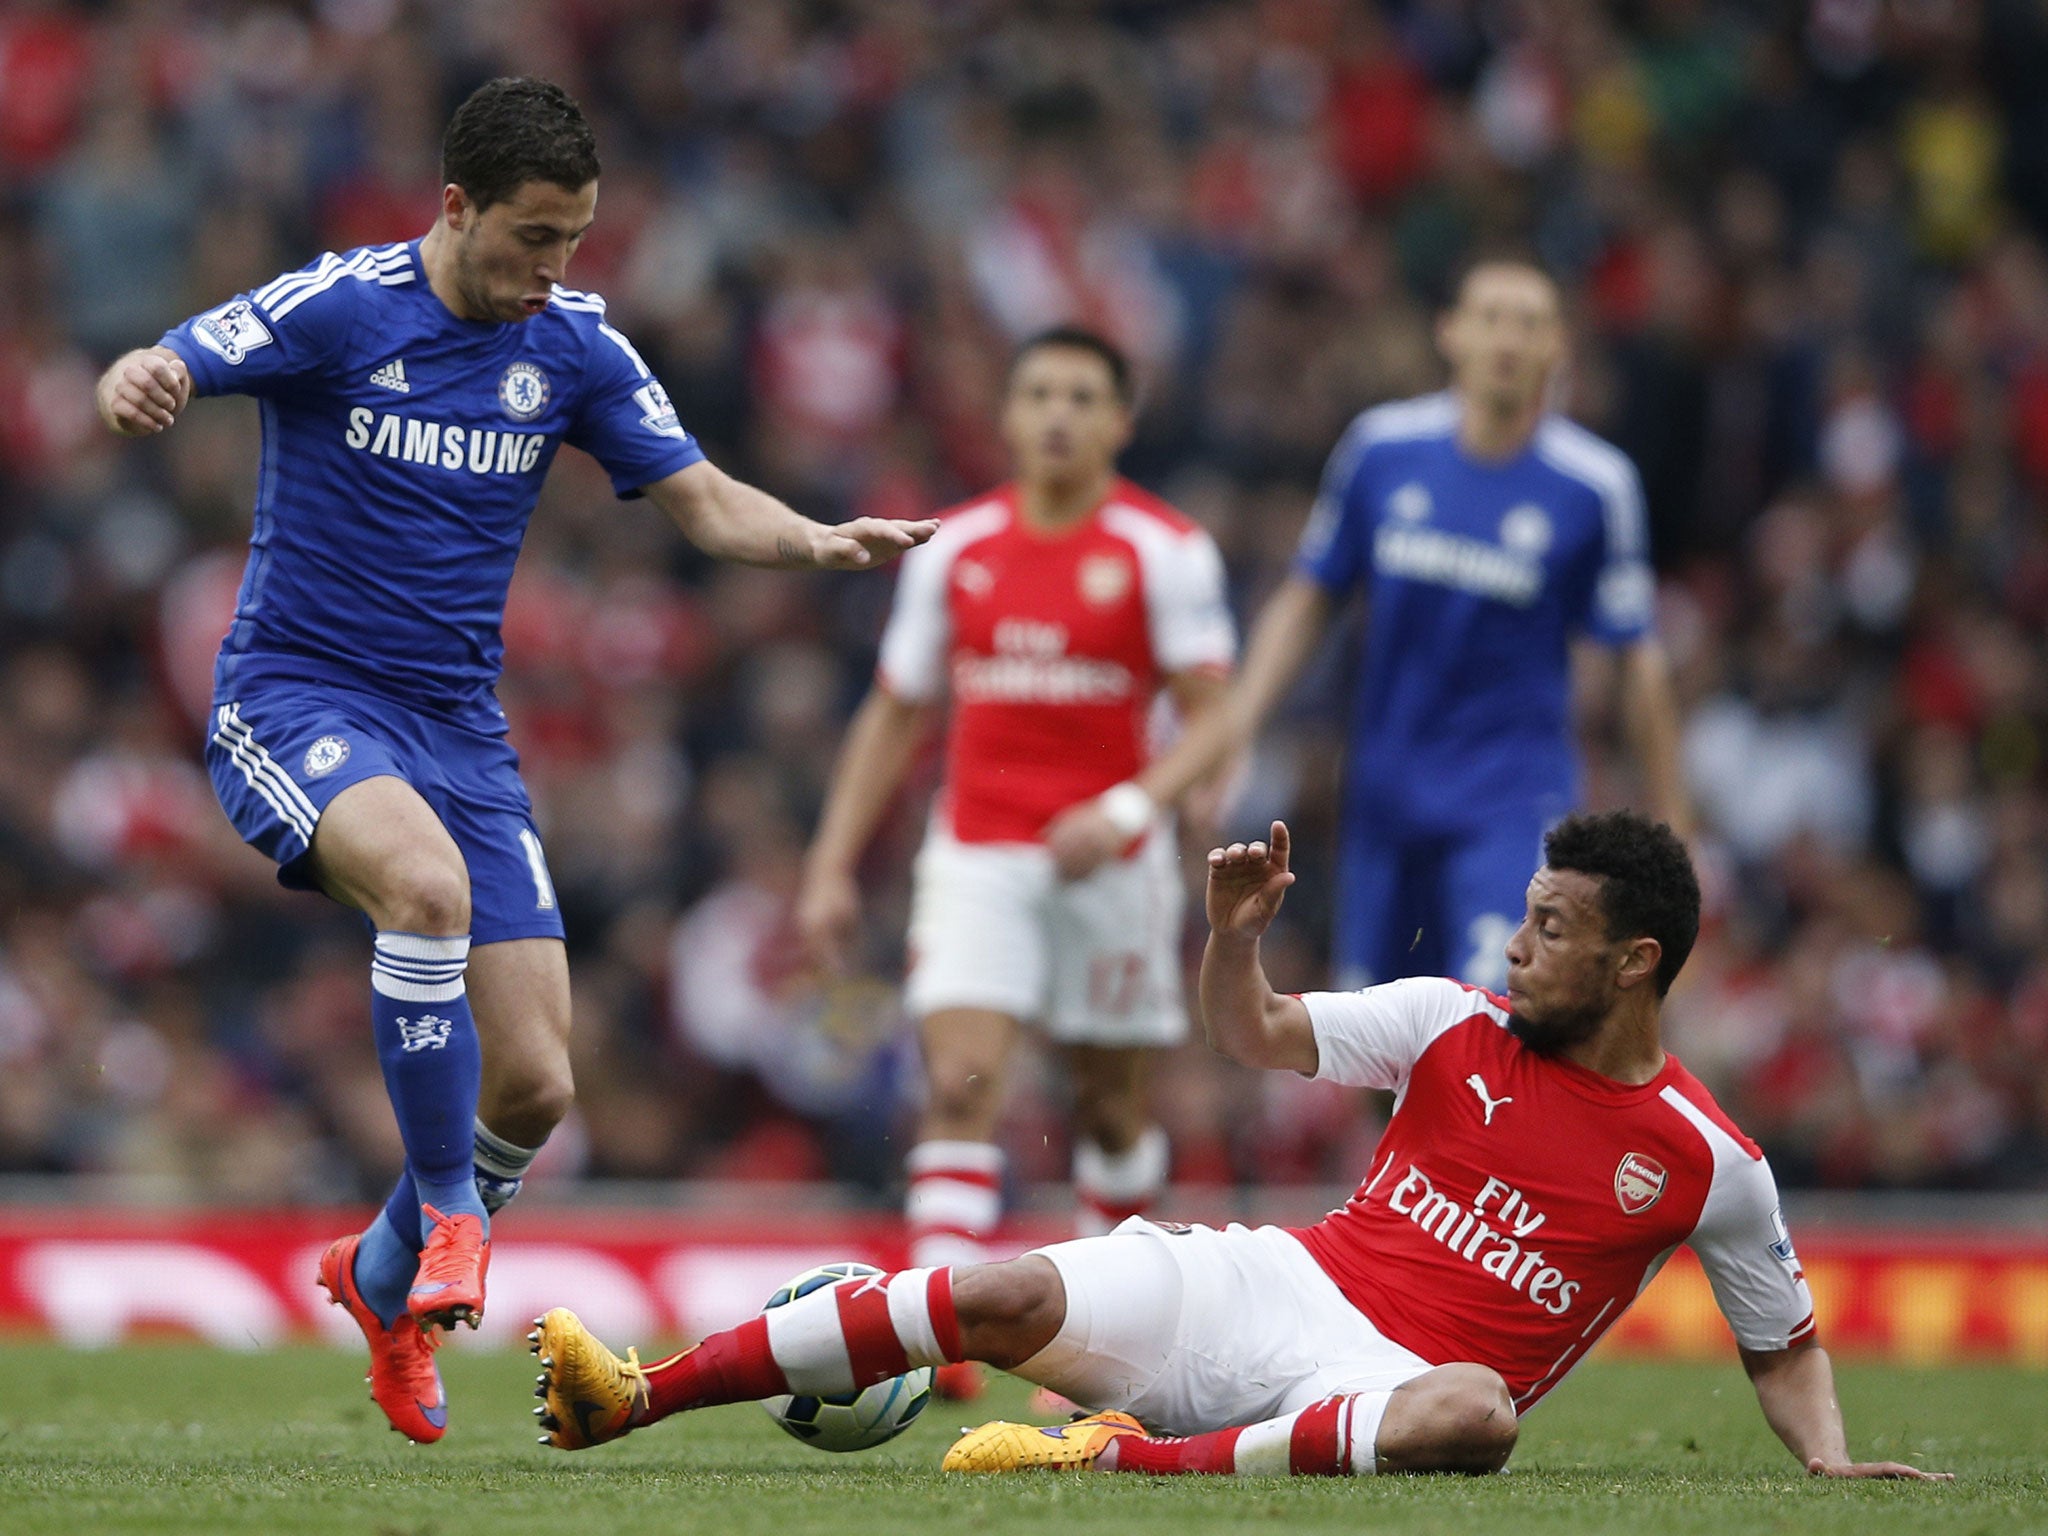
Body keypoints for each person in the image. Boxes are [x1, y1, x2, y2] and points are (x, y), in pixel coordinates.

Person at [92, 77, 934, 1445]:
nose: (554, 269)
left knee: (540, 1083)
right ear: (455, 208)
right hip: (299, 693)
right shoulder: (343, 303)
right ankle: (444, 1236)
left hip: (456, 729)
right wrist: (146, 377)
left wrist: (820, 539)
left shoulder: (580, 347)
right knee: (426, 895)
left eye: (576, 241)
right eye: (533, 238)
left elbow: (710, 502)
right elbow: (179, 357)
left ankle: (378, 1282)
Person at [527, 810, 1947, 1484]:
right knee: (1000, 1290)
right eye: (1526, 912)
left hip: (1392, 1381)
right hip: (1278, 1286)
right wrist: (1230, 939)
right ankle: (632, 1400)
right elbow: (1257, 1035)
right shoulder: (1449, 1021)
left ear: (1637, 963)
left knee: (1479, 1423)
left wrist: (1825, 1466)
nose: (1520, 942)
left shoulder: (1710, 1160)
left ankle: (1106, 1464)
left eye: (1555, 930)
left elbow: (1783, 1339)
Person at [794, 326, 1235, 1392]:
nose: (1056, 414)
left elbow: (1217, 721)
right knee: (958, 1080)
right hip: (978, 849)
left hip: (1111, 863)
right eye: (1037, 392)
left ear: (1119, 421)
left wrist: (1131, 809)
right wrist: (829, 862)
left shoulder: (1163, 549)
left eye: (1082, 396)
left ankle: (1099, 1340)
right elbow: (896, 713)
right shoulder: (955, 549)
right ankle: (933, 1339)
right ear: (1004, 413)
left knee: (1110, 1110)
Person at [1089, 257, 1690, 994]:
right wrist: (1233, 731)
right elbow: (1310, 598)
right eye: (1491, 318)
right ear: (1451, 333)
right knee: (1380, 1036)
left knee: (1494, 1011)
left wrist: (1674, 826)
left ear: (1557, 347)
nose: (1508, 338)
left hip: (1509, 797)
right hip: (1383, 793)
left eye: (1529, 322)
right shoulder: (1382, 451)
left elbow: (1636, 661)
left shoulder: (1594, 487)